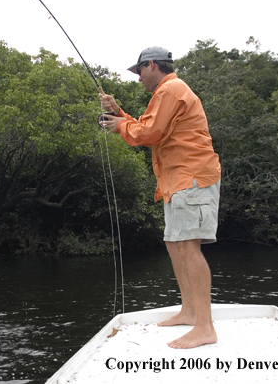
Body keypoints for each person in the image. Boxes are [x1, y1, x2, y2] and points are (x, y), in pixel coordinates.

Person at [99, 46, 221, 349]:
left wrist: (119, 125)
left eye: (139, 71)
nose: (139, 78)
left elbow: (147, 133)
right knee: (174, 243)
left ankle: (205, 327)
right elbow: (146, 128)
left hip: (191, 178)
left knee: (189, 247)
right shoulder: (166, 93)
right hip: (177, 181)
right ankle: (190, 311)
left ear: (152, 65)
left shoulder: (171, 90)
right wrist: (119, 115)